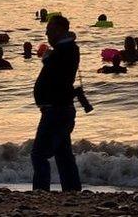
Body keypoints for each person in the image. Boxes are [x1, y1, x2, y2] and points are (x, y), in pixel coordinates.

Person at [31, 14, 82, 192]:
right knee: (63, 154)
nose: (47, 35)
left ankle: (41, 191)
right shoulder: (67, 49)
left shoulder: (66, 50)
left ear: (60, 31)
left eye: (50, 31)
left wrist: (48, 58)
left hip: (57, 109)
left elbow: (58, 74)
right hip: (60, 108)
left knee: (39, 154)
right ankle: (72, 190)